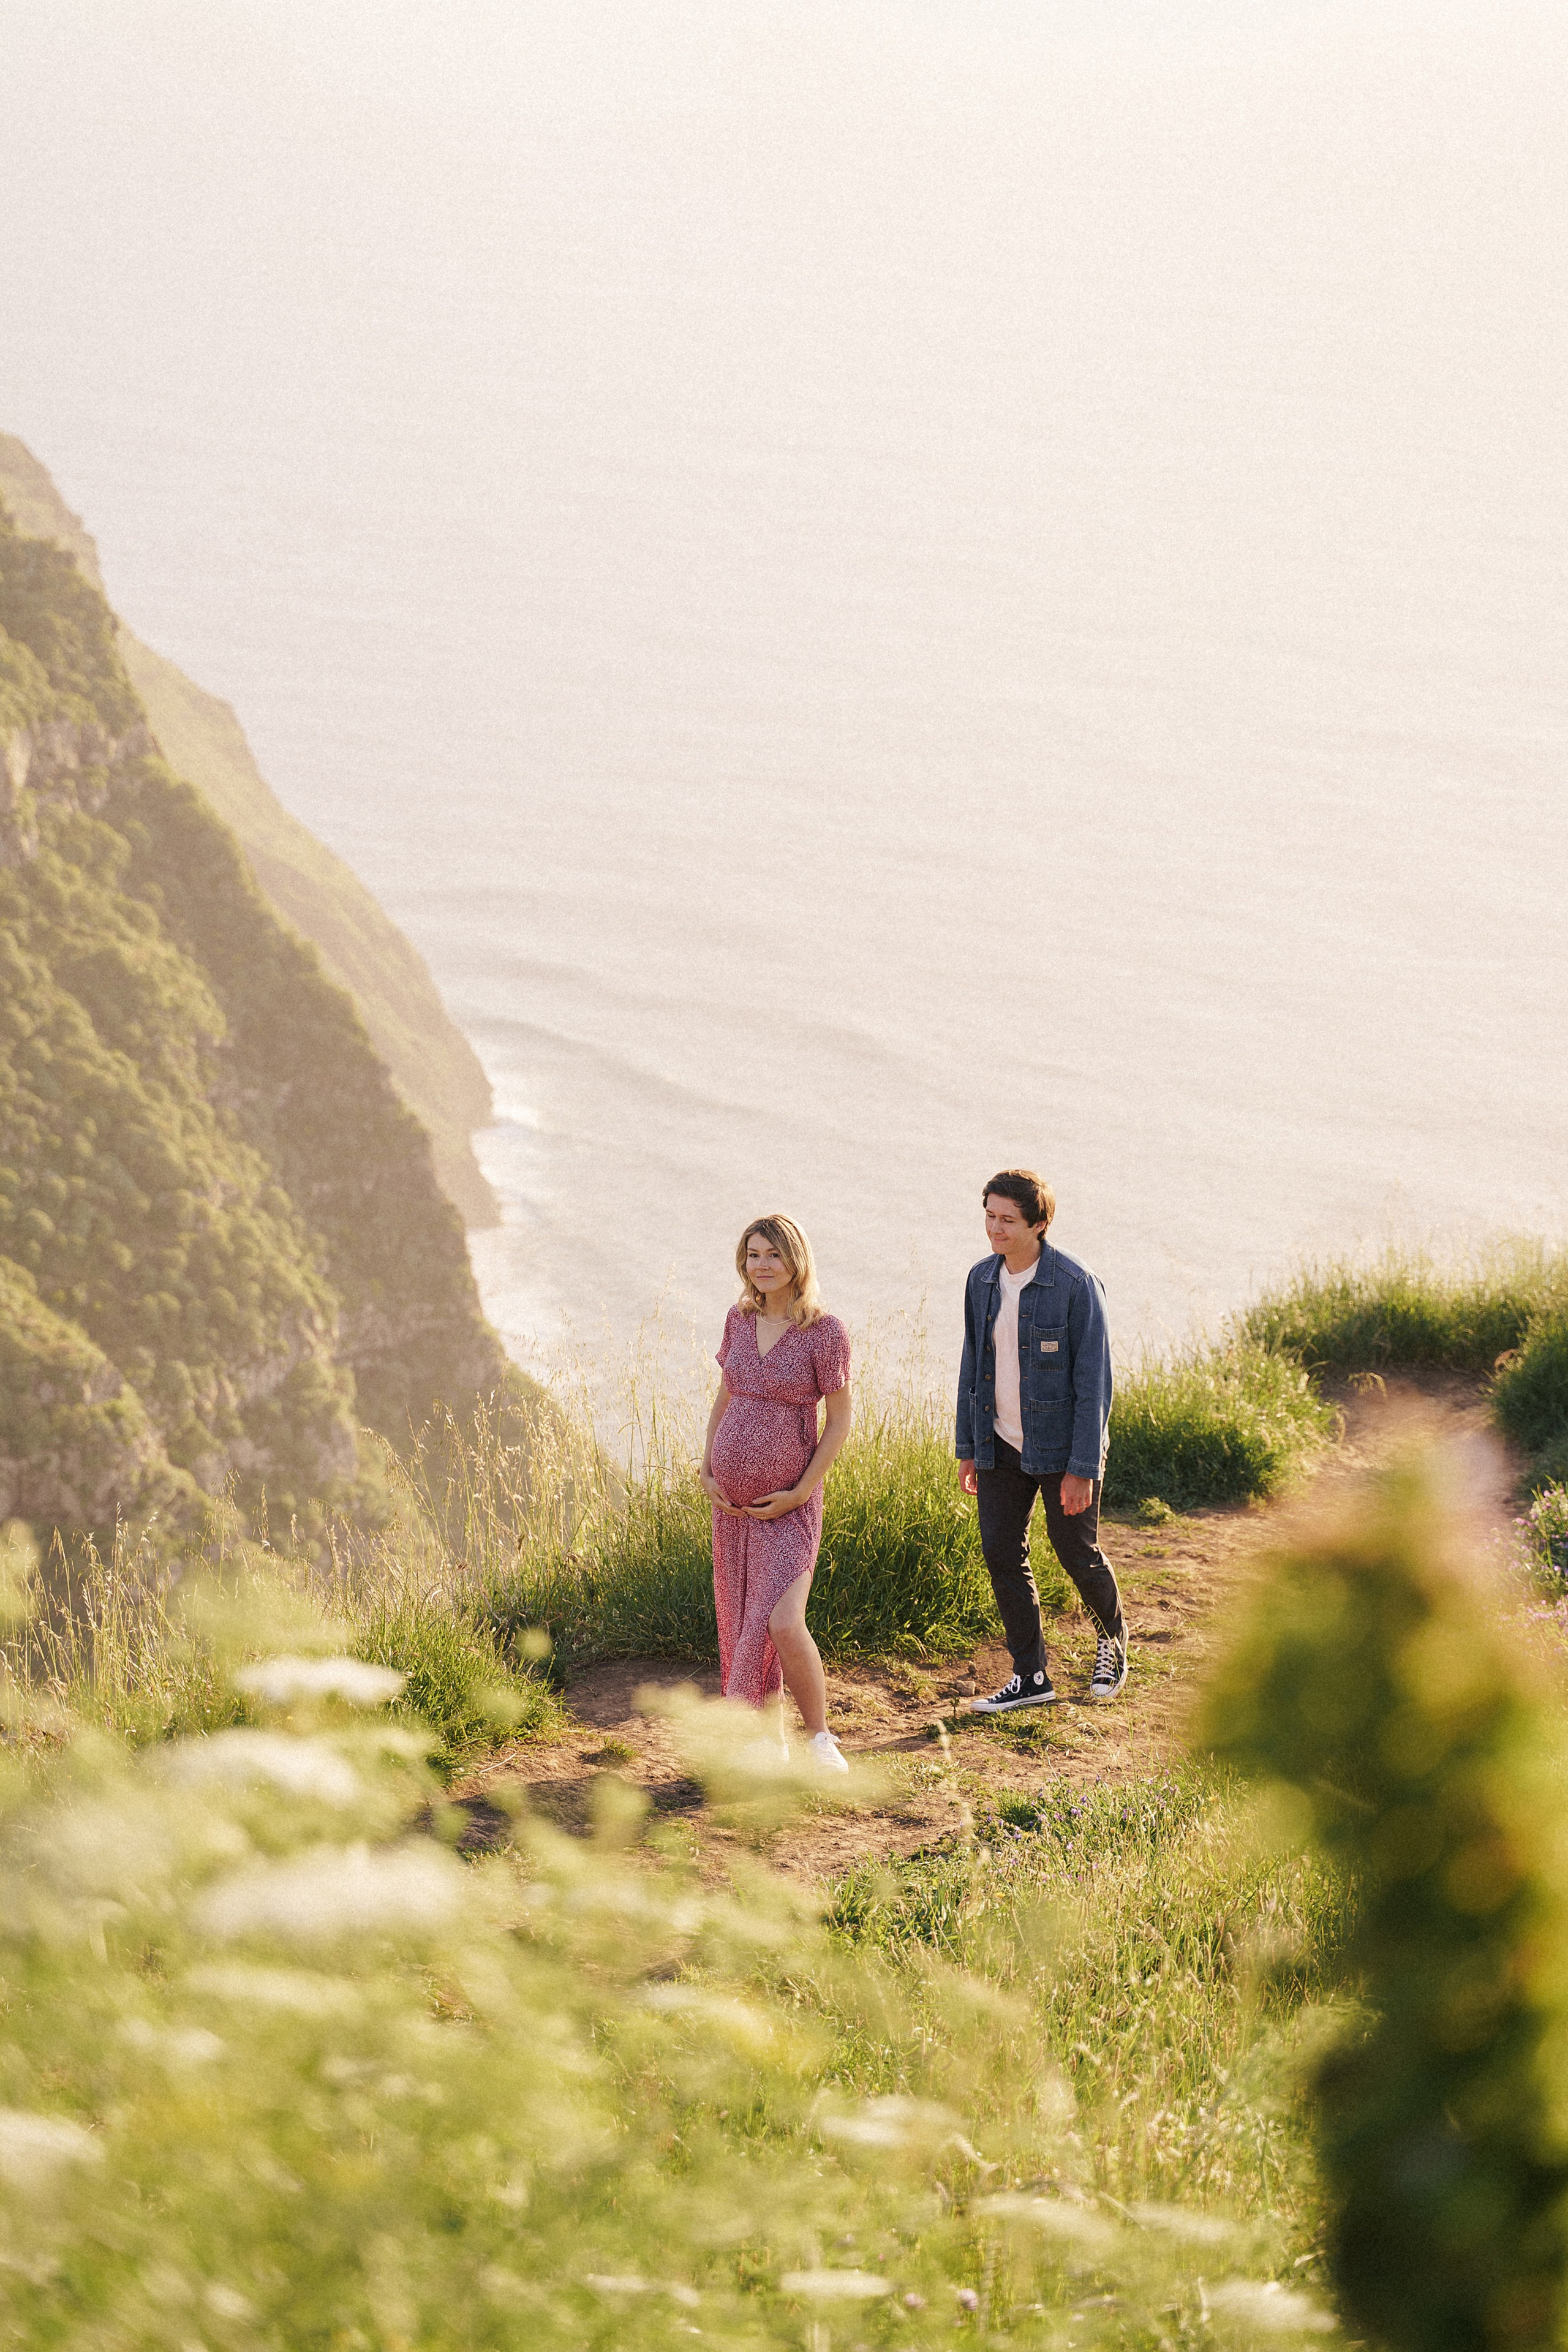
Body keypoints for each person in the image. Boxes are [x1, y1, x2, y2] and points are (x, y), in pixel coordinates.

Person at [956, 1169, 1127, 1709]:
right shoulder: (980, 1280)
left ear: (1039, 1224)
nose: (995, 1229)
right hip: (1000, 1445)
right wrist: (968, 1448)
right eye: (990, 1216)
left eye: (1007, 1220)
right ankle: (1030, 1677)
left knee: (1077, 1553)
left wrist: (1083, 1467)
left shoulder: (1076, 1285)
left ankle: (1112, 1641)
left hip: (1062, 1450)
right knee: (1001, 1553)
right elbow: (972, 1367)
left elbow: (1094, 1384)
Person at [700, 1215, 853, 1772]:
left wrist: (800, 1492)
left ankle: (821, 1740)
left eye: (773, 1254)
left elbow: (839, 1422)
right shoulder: (738, 1320)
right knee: (744, 1622)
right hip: (733, 1508)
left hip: (790, 1507)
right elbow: (726, 1397)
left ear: (796, 1260)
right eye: (753, 1254)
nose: (761, 1265)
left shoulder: (824, 1332)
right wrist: (708, 1468)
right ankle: (769, 1742)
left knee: (783, 1621)